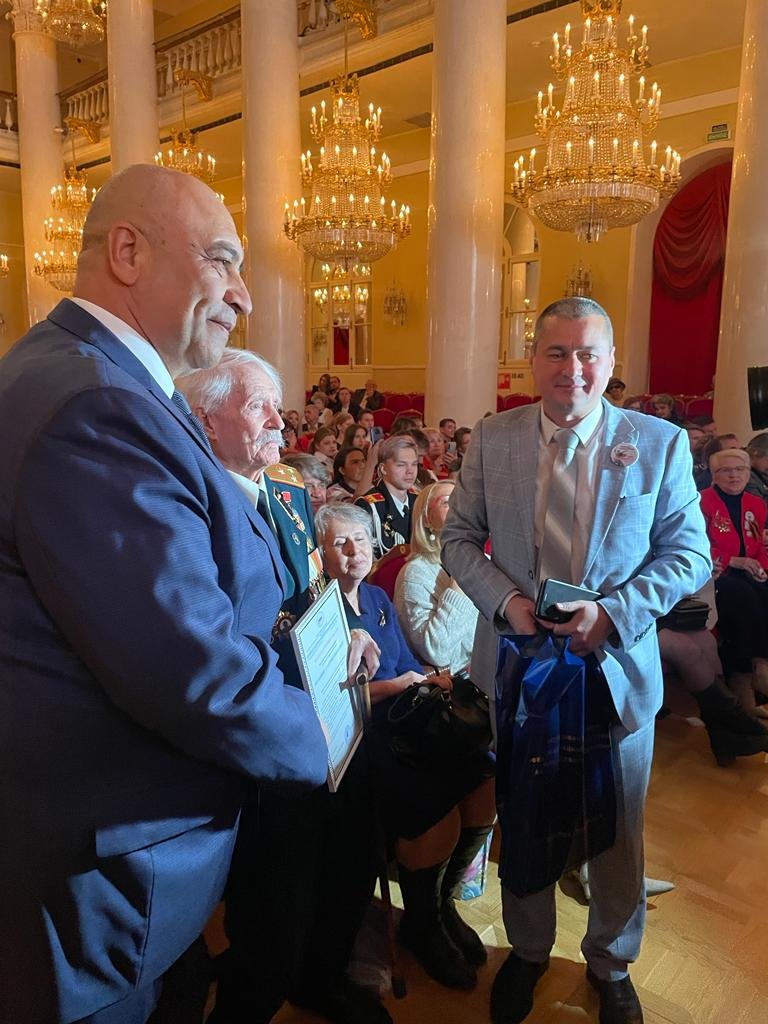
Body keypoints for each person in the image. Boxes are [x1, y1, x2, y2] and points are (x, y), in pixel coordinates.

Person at [0, 164, 329, 1024]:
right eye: (223, 260)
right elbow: (188, 670)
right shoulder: (96, 404)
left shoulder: (97, 376)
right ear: (128, 252)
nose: (244, 296)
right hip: (99, 874)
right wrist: (329, 729)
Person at [442, 296, 711, 1024]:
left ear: (611, 361)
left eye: (588, 353)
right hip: (517, 669)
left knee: (619, 830)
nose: (573, 369)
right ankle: (529, 950)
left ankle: (610, 962)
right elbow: (458, 539)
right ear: (533, 360)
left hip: (615, 670)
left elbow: (690, 555)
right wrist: (506, 603)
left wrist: (614, 613)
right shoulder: (494, 438)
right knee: (524, 815)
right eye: (557, 352)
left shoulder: (657, 443)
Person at [178, 351, 383, 1024]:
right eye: (258, 406)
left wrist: (350, 629)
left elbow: (313, 589)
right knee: (272, 917)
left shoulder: (288, 489)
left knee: (347, 863)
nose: (279, 419)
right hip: (261, 741)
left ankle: (322, 980)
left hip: (328, 718)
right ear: (207, 419)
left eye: (277, 402)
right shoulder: (190, 501)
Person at [315, 504, 496, 991]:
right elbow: (332, 697)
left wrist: (427, 679)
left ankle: (442, 902)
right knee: (437, 811)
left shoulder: (375, 596)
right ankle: (422, 923)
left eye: (360, 539)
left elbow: (404, 661)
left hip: (406, 719)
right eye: (339, 543)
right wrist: (402, 685)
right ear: (322, 555)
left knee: (485, 776)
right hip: (363, 736)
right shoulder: (320, 611)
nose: (354, 551)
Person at [700, 448, 768, 716]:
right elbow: (696, 547)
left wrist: (761, 567)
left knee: (761, 590)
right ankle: (753, 673)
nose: (734, 475)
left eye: (740, 469)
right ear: (713, 475)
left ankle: (754, 676)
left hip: (748, 573)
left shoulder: (756, 503)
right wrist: (733, 561)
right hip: (717, 574)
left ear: (749, 473)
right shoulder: (701, 502)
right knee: (741, 598)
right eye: (725, 470)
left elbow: (760, 546)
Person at [394, 481, 478, 671]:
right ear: (426, 520)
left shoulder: (480, 559)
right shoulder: (415, 574)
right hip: (456, 680)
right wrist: (460, 582)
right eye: (447, 502)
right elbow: (438, 652)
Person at [356, 435, 419, 558]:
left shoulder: (419, 500)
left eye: (414, 464)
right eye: (401, 465)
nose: (410, 471)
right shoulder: (368, 506)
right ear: (383, 468)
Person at [746, 432, 768, 510]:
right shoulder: (746, 477)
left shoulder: (761, 471)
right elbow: (760, 508)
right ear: (755, 455)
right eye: (767, 460)